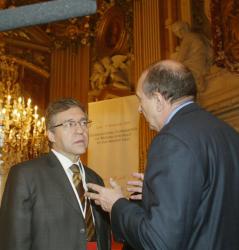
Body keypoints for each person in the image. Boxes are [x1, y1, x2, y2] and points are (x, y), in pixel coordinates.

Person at [86, 60, 239, 250]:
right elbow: (211, 203)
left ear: (158, 100)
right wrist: (155, 193)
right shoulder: (229, 133)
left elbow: (158, 241)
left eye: (140, 99)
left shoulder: (171, 140)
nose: (139, 109)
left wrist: (117, 205)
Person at [0, 98, 111, 250]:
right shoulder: (25, 175)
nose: (80, 130)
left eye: (83, 123)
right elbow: (13, 241)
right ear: (51, 135)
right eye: (69, 124)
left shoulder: (95, 178)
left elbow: (103, 236)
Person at [170, 21, 213, 92]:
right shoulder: (196, 36)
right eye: (176, 32)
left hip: (196, 63)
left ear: (186, 28)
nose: (179, 33)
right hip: (202, 61)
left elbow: (180, 58)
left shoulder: (188, 38)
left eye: (181, 29)